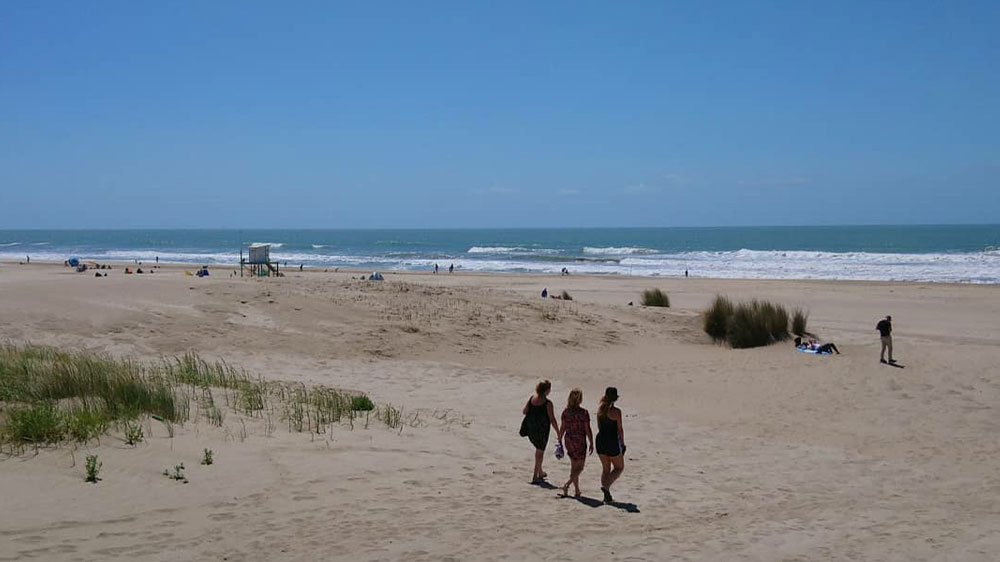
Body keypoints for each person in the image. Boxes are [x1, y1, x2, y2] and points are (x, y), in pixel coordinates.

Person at [557, 389, 593, 497]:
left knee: (574, 466)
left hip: (569, 440)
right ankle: (567, 485)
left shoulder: (566, 412)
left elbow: (562, 428)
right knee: (580, 467)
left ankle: (577, 490)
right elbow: (587, 429)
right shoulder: (584, 413)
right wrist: (591, 441)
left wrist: (559, 441)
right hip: (580, 440)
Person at [522, 380, 559, 484]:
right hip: (542, 430)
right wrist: (558, 432)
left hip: (531, 429)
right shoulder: (548, 403)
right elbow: (552, 419)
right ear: (546, 390)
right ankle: (535, 476)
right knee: (540, 452)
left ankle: (540, 472)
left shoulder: (532, 399)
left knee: (538, 450)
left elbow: (524, 411)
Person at [595, 386, 625, 504]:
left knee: (606, 469)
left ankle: (606, 494)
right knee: (619, 467)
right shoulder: (616, 412)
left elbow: (599, 426)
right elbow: (619, 429)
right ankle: (606, 487)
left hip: (601, 440)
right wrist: (622, 443)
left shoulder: (600, 409)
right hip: (612, 441)